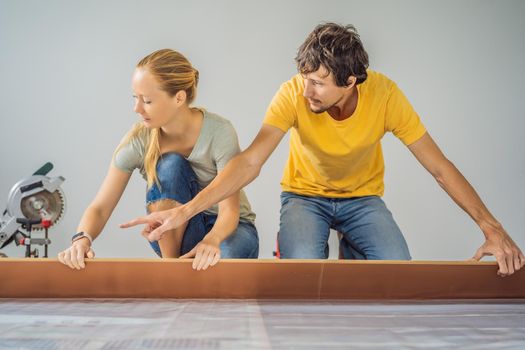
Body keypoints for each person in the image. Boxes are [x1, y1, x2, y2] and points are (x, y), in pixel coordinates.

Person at [121, 24, 524, 276]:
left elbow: (439, 167)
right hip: (304, 198)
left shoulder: (385, 96)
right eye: (304, 77)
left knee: (398, 272)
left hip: (363, 200)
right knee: (300, 277)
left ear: (351, 81)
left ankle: (353, 251)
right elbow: (250, 161)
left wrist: (494, 230)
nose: (306, 90)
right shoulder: (294, 93)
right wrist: (186, 210)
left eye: (318, 82)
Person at [58, 49, 259, 271]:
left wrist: (211, 241)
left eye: (147, 100)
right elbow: (100, 207)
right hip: (176, 234)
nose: (137, 108)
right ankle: (170, 269)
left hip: (228, 229)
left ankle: (188, 271)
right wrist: (81, 239)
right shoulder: (139, 139)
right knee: (170, 163)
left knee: (219, 268)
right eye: (135, 98)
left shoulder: (219, 132)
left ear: (179, 98)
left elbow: (229, 212)